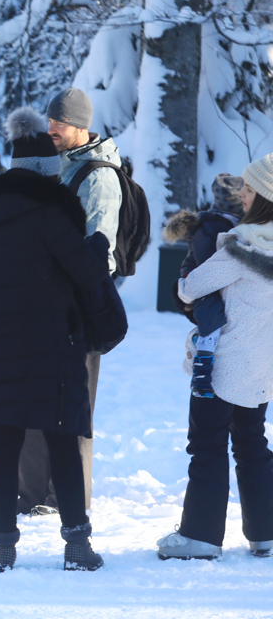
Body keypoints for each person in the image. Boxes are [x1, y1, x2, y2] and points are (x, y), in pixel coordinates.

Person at [0, 106, 110, 571]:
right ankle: (77, 546)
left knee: (3, 443)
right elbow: (87, 271)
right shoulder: (50, 213)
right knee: (61, 439)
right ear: (48, 173)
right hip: (46, 342)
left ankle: (3, 546)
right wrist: (97, 244)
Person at [157, 155, 273, 560]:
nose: (240, 192)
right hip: (262, 365)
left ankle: (200, 537)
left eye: (248, 187)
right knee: (252, 443)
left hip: (222, 363)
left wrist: (188, 281)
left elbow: (191, 287)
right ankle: (267, 533)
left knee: (206, 444)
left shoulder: (243, 244)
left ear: (263, 196)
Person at [18, 87, 125, 515]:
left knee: (75, 409)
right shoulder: (55, 166)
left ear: (80, 125)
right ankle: (30, 495)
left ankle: (68, 498)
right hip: (43, 306)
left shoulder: (99, 178)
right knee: (32, 401)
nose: (52, 129)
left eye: (59, 123)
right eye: (50, 121)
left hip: (78, 312)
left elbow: (98, 254)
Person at [162, 173, 245, 397]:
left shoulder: (244, 222)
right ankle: (203, 365)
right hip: (198, 276)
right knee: (212, 313)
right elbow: (207, 264)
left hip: (218, 280)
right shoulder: (212, 224)